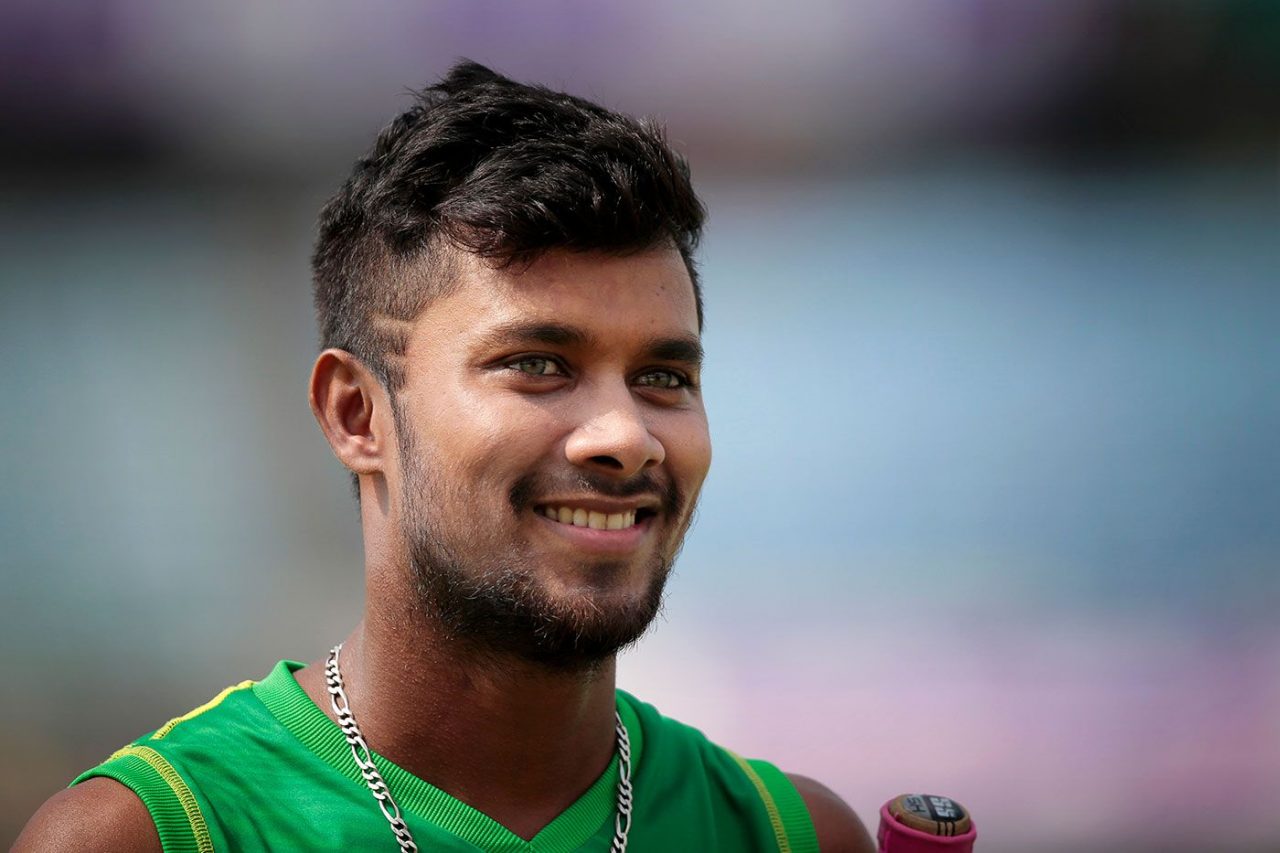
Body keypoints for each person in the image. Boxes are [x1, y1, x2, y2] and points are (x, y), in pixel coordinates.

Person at [17, 61, 873, 852]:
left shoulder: (792, 834)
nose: (624, 434)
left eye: (662, 375)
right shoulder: (149, 833)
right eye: (538, 365)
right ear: (357, 414)